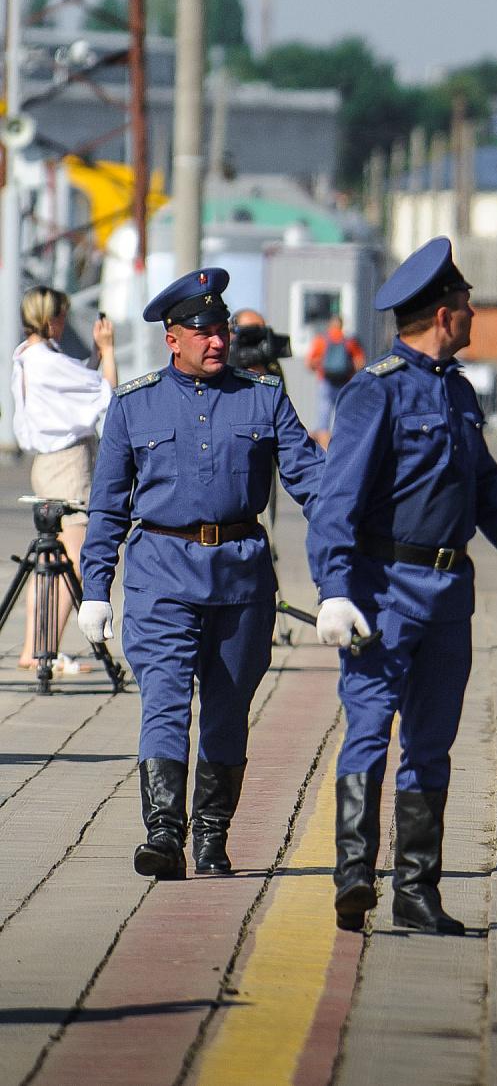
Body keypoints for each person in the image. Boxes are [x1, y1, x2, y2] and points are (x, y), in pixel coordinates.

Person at [309, 236, 497, 935]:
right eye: (468, 305)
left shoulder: (456, 393)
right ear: (443, 315)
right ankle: (355, 876)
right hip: (382, 588)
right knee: (367, 727)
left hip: (448, 596)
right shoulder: (375, 390)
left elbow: (488, 490)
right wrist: (335, 589)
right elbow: (337, 500)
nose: (476, 315)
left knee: (430, 743)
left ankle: (417, 892)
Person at [79, 268, 323, 880]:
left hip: (241, 578)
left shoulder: (264, 397)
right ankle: (164, 832)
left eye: (222, 330)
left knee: (225, 707)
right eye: (203, 331)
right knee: (163, 700)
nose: (218, 341)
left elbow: (315, 484)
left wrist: (368, 533)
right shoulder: (134, 405)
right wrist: (95, 588)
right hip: (160, 573)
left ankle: (211, 836)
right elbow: (108, 505)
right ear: (172, 337)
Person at [10, 286, 115, 674]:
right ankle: (45, 651)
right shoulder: (45, 360)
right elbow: (107, 394)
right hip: (68, 465)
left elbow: (78, 385)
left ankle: (36, 649)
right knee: (75, 561)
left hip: (48, 463)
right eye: (63, 316)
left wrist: (94, 353)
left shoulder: (27, 355)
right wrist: (109, 351)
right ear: (52, 318)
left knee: (49, 559)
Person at [305, 314, 361, 444]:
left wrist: (321, 365)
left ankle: (325, 451)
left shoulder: (321, 340)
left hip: (325, 381)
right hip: (345, 382)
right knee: (344, 416)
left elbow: (309, 364)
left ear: (330, 325)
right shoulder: (349, 341)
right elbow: (360, 362)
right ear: (342, 325)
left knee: (323, 419)